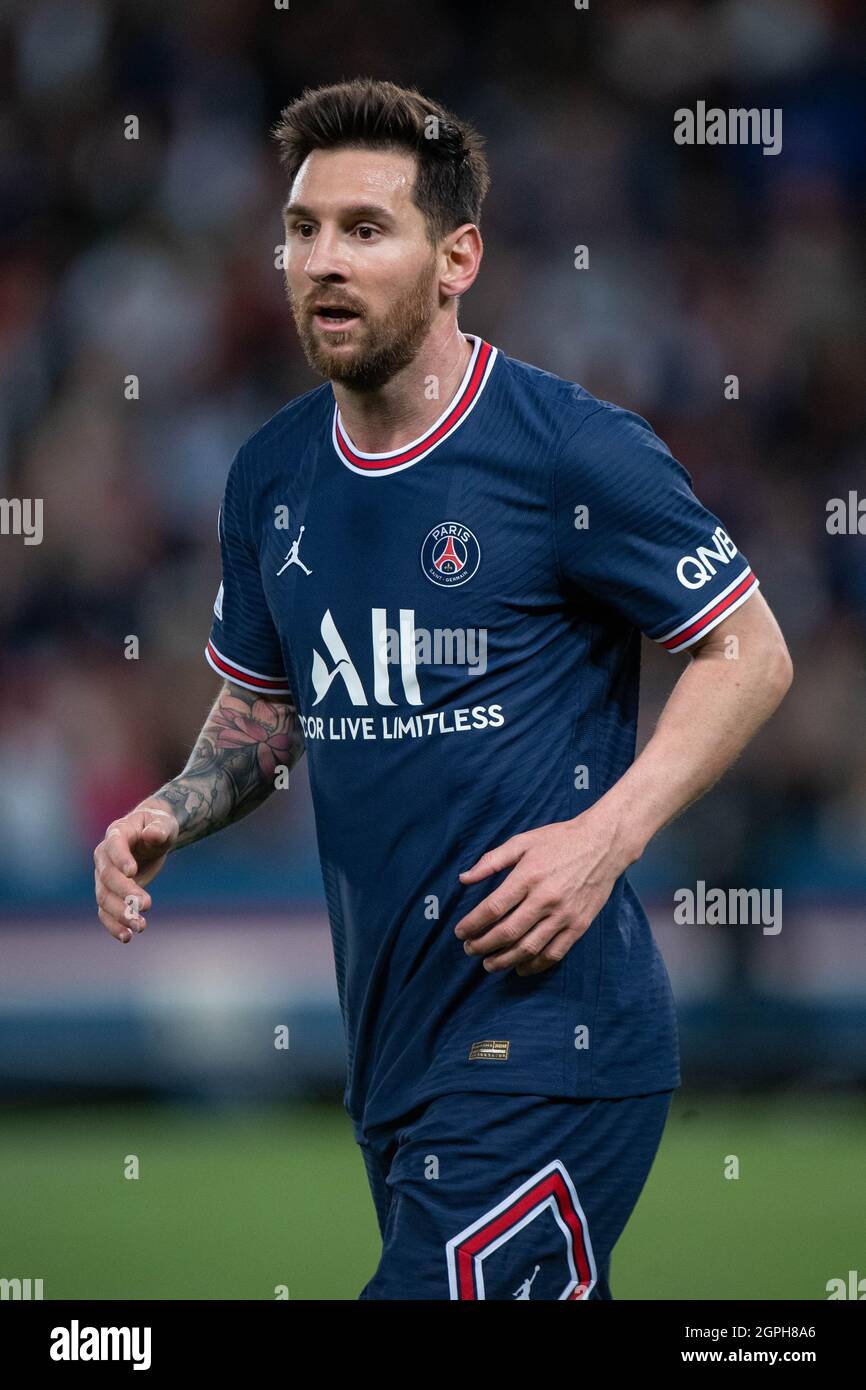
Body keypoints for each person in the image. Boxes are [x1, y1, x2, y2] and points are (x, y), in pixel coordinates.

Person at [93, 78, 793, 1300]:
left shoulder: (565, 448)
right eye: (303, 229)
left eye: (366, 229)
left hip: (551, 1046)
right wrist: (176, 805)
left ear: (456, 255)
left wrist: (601, 837)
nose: (321, 260)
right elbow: (268, 712)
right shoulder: (269, 477)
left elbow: (750, 651)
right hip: (397, 1055)